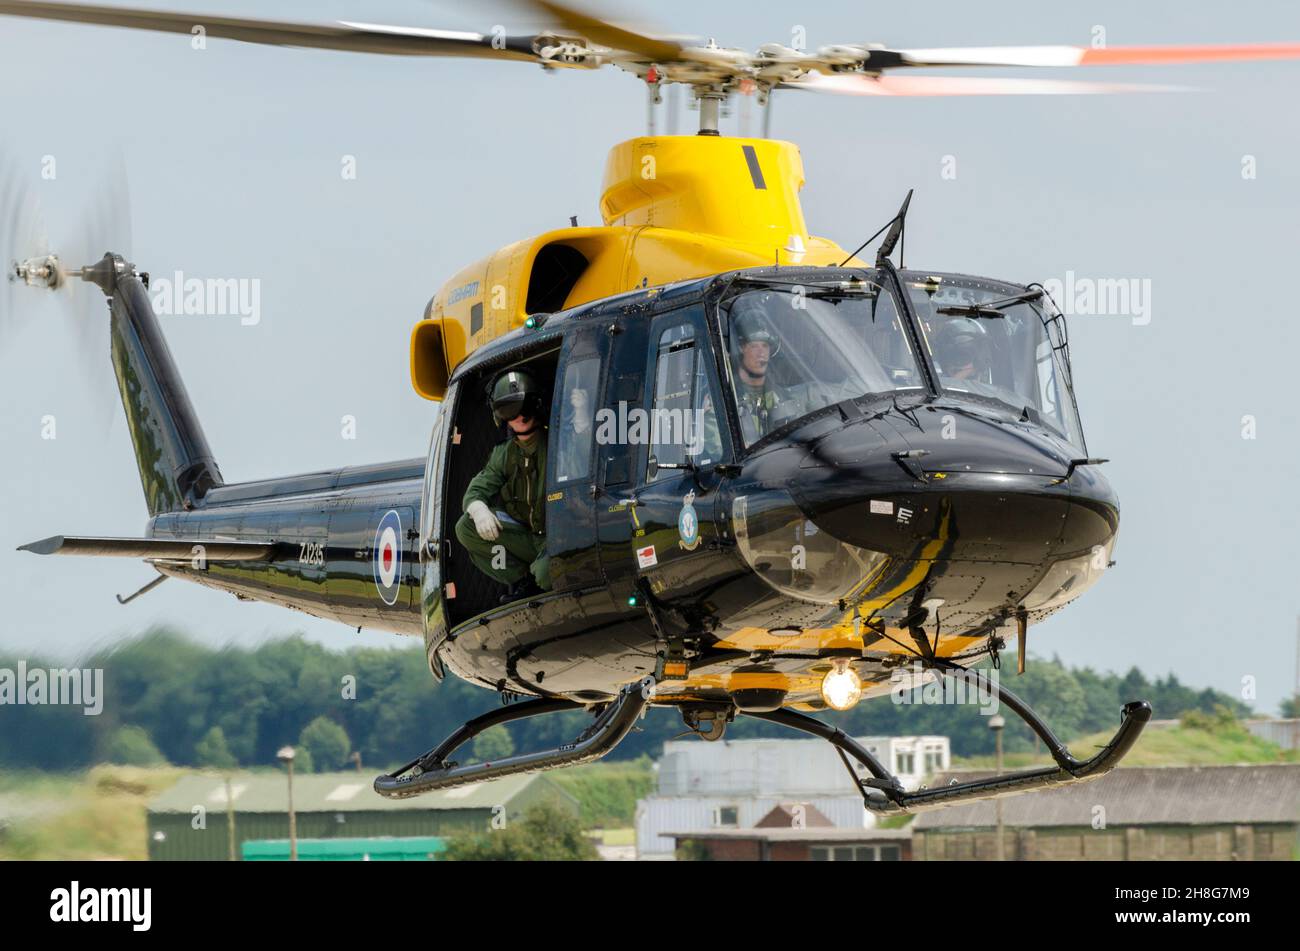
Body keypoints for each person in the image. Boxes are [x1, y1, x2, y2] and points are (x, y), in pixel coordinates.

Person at [454, 368, 551, 602]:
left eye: (525, 408)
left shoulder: (556, 442)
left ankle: (538, 577)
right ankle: (522, 580)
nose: (519, 416)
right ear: (501, 416)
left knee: (547, 573)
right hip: (525, 538)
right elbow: (477, 489)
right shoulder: (504, 454)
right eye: (510, 410)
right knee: (465, 527)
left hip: (554, 538)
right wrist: (479, 511)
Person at [728, 294, 804, 444]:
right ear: (742, 348)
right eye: (754, 346)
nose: (761, 352)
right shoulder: (728, 397)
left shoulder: (782, 395)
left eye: (765, 346)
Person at [931, 316, 993, 385]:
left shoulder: (994, 391)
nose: (957, 362)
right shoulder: (932, 382)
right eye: (963, 357)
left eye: (963, 356)